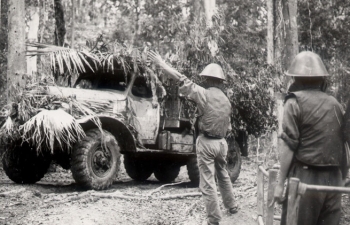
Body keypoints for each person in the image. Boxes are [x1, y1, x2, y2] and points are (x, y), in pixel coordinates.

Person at [148, 51, 238, 225]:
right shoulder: (227, 101)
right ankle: (232, 206)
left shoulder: (203, 93)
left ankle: (214, 219)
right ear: (220, 81)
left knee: (207, 182)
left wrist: (161, 63)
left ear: (208, 79)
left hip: (207, 142)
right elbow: (229, 127)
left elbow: (180, 78)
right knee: (223, 175)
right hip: (222, 143)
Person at [272, 51, 347, 225]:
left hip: (306, 178)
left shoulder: (293, 103)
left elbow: (289, 146)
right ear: (322, 79)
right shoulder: (335, 103)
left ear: (296, 79)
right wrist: (343, 177)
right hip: (334, 180)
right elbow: (344, 145)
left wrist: (280, 183)